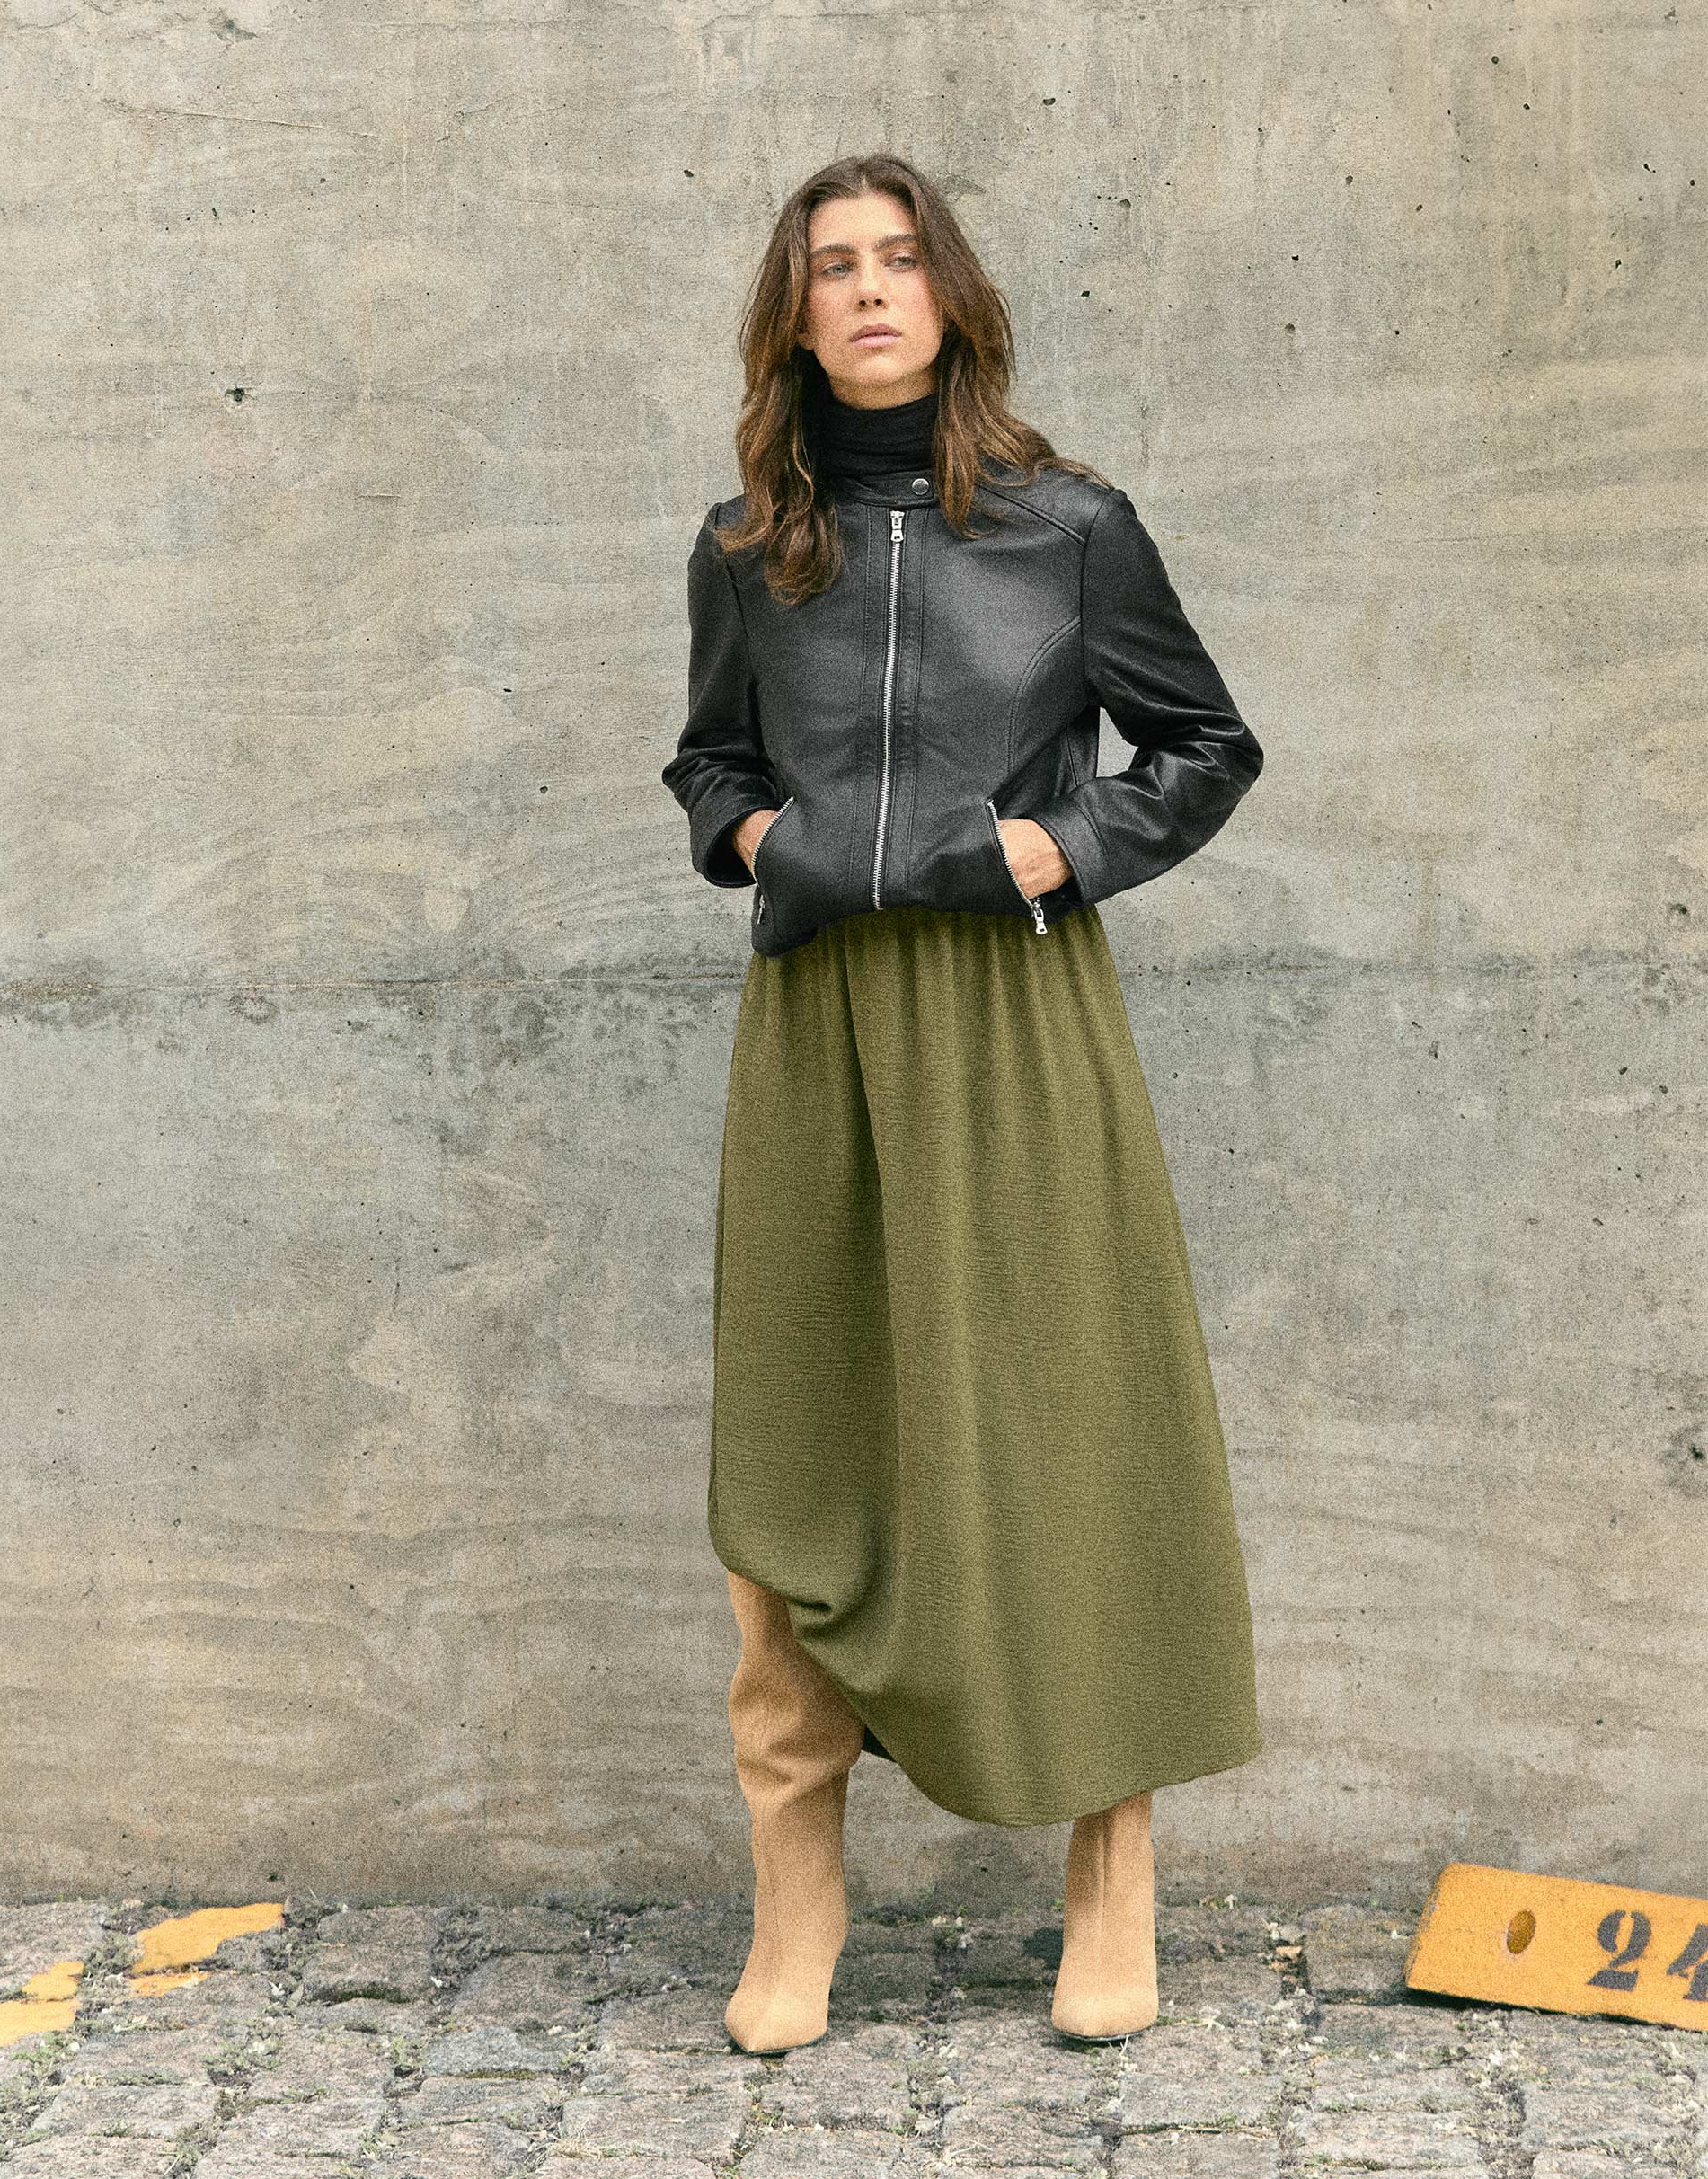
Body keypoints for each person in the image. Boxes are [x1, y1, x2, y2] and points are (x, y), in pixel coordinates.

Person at [660, 151, 1265, 2056]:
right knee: (800, 1449)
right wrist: (756, 835)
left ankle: (1111, 1882)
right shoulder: (745, 548)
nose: (867, 289)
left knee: (1070, 1432)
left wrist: (1058, 846)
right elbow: (708, 760)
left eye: (899, 258)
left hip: (1017, 1025)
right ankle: (799, 1895)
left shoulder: (1072, 528)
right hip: (820, 1033)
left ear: (951, 296)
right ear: (793, 314)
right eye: (832, 265)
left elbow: (1204, 743)